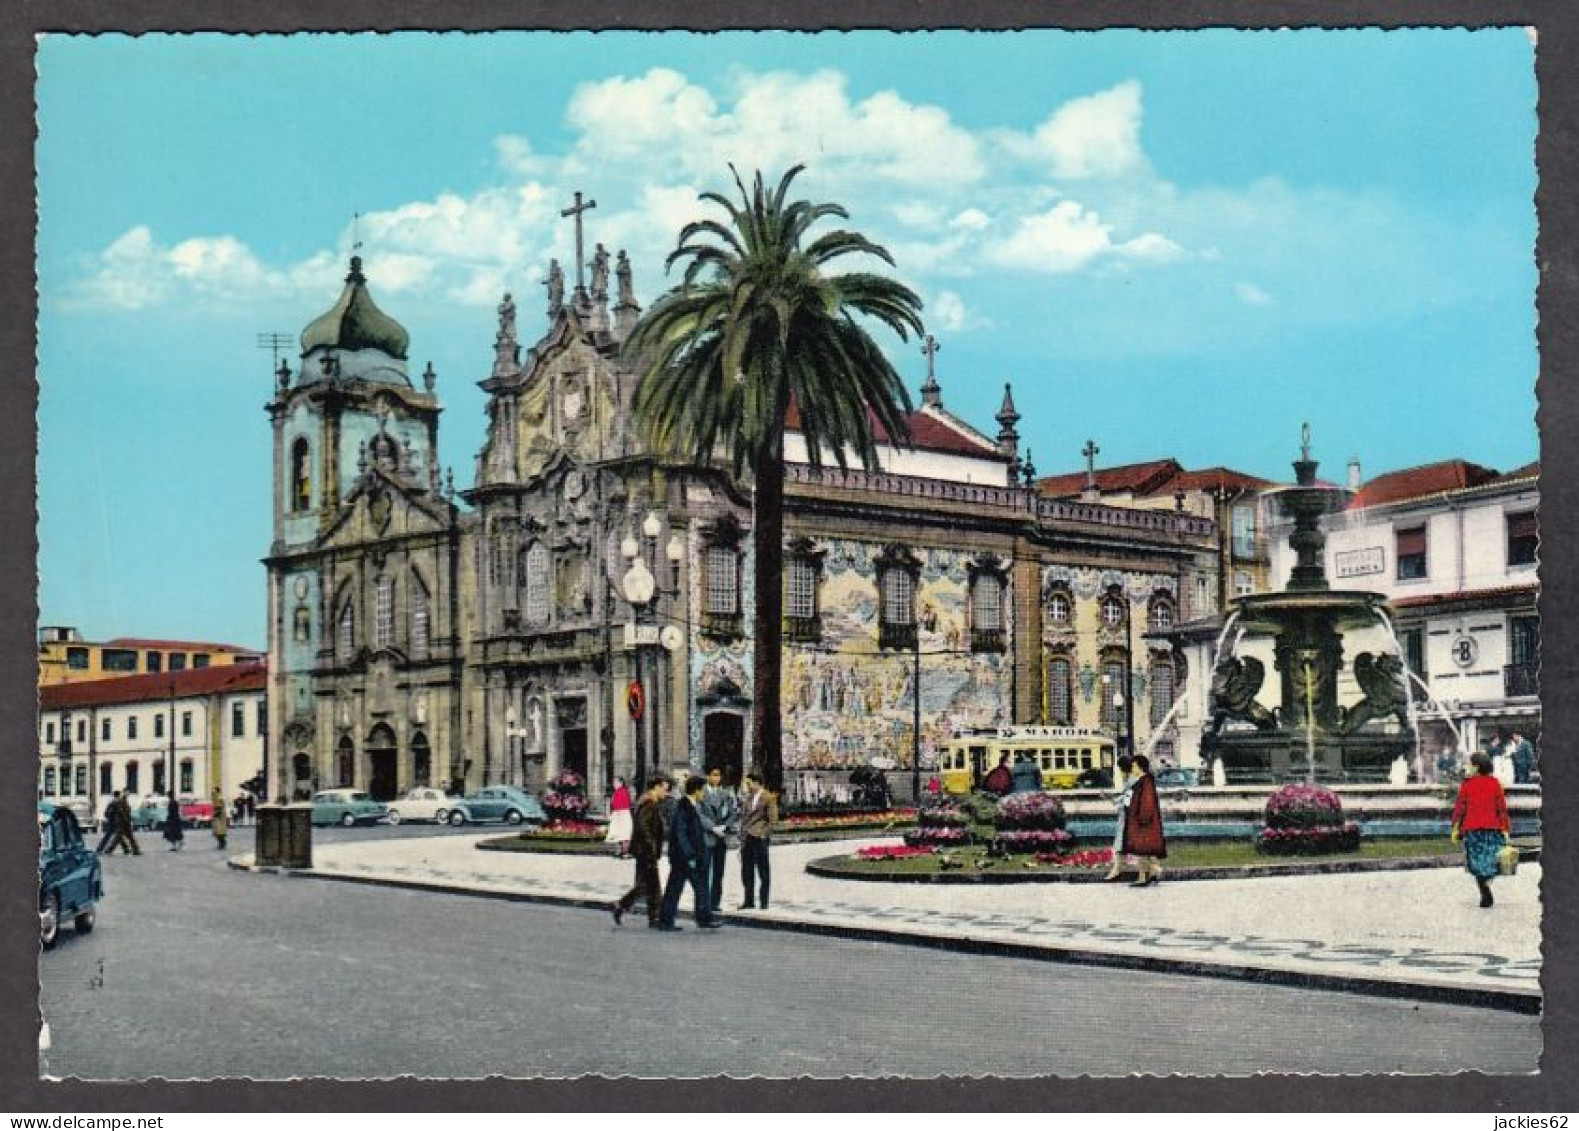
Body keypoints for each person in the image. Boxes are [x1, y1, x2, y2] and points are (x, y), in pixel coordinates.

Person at [658, 775, 721, 930]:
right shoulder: (684, 807)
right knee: (697, 887)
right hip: (686, 857)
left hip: (685, 856)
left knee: (677, 888)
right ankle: (703, 918)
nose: (704, 793)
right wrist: (690, 855)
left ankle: (667, 920)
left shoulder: (690, 805)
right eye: (703, 790)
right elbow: (681, 833)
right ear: (696, 790)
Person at [1452, 751, 1511, 907]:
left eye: (1469, 764)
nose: (1467, 767)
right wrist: (1505, 828)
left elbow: (1460, 808)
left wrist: (1455, 827)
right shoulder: (1495, 783)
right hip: (1492, 829)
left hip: (1472, 830)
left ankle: (1484, 891)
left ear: (1476, 767)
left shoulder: (1467, 784)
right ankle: (1487, 884)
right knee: (1490, 860)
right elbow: (1502, 809)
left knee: (1475, 862)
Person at [612, 776, 671, 928]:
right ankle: (623, 905)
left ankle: (653, 918)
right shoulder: (649, 803)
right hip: (646, 851)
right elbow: (644, 828)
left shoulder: (649, 802)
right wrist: (651, 848)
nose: (666, 792)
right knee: (649, 885)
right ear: (656, 787)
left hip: (644, 850)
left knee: (650, 885)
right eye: (665, 789)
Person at [699, 766, 740, 912]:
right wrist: (713, 828)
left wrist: (725, 826)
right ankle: (704, 902)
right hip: (707, 836)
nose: (716, 778)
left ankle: (715, 901)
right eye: (713, 775)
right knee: (704, 871)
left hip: (721, 837)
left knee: (719, 871)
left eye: (718, 775)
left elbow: (733, 812)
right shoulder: (701, 793)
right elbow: (700, 815)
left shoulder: (725, 793)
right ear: (708, 776)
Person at [1121, 754, 1166, 886]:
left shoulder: (1145, 781)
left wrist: (1143, 818)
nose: (1132, 768)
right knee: (1143, 852)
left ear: (1140, 767)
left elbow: (1147, 801)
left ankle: (1153, 872)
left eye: (1134, 766)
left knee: (1143, 850)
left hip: (1144, 823)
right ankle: (1148, 876)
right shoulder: (1142, 780)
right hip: (1141, 821)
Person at [738, 771, 778, 910]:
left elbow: (773, 820)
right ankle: (748, 900)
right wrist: (742, 836)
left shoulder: (768, 797)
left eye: (749, 783)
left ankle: (764, 902)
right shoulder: (748, 798)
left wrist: (764, 834)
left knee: (763, 871)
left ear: (757, 783)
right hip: (747, 839)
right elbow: (744, 818)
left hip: (759, 839)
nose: (747, 786)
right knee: (747, 871)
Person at [1103, 754, 1137, 881]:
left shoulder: (1131, 782)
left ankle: (1116, 871)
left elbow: (1127, 800)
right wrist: (1112, 799)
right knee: (1122, 845)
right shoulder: (1131, 780)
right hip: (1128, 817)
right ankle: (1116, 870)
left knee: (1120, 844)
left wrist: (1116, 802)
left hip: (1128, 818)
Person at [604, 776, 633, 858]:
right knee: (618, 834)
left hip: (623, 814)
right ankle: (620, 851)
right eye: (614, 782)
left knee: (625, 834)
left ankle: (625, 852)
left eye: (616, 782)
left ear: (621, 783)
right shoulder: (616, 792)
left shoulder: (623, 791)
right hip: (617, 814)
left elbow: (626, 804)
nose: (614, 784)